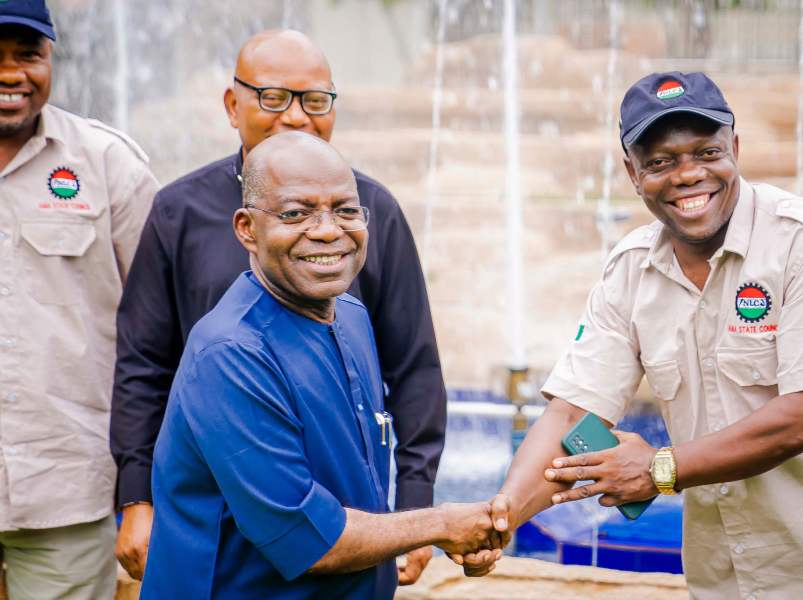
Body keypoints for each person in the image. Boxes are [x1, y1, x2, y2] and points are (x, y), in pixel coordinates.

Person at [111, 29, 447, 585]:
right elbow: (142, 365)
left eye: (314, 100)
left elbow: (412, 366)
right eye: (273, 98)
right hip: (239, 540)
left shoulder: (372, 216)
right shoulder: (180, 217)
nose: (295, 116)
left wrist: (413, 502)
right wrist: (136, 493)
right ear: (232, 105)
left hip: (346, 540)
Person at [139, 132, 499, 598]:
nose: (329, 229)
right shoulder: (231, 354)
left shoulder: (349, 315)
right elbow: (308, 542)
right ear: (247, 228)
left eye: (346, 210)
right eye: (295, 213)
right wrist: (441, 524)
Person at [487, 72, 803, 599]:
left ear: (736, 150)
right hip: (722, 580)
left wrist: (662, 467)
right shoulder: (632, 268)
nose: (687, 175)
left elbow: (799, 415)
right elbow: (570, 415)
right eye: (660, 162)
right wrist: (499, 520)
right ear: (633, 174)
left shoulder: (793, 244)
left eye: (706, 153)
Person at [0, 1, 159, 598]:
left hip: (66, 489)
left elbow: (159, 333)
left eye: (28, 55)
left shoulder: (108, 165)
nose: (11, 73)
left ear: (51, 58)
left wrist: (142, 485)